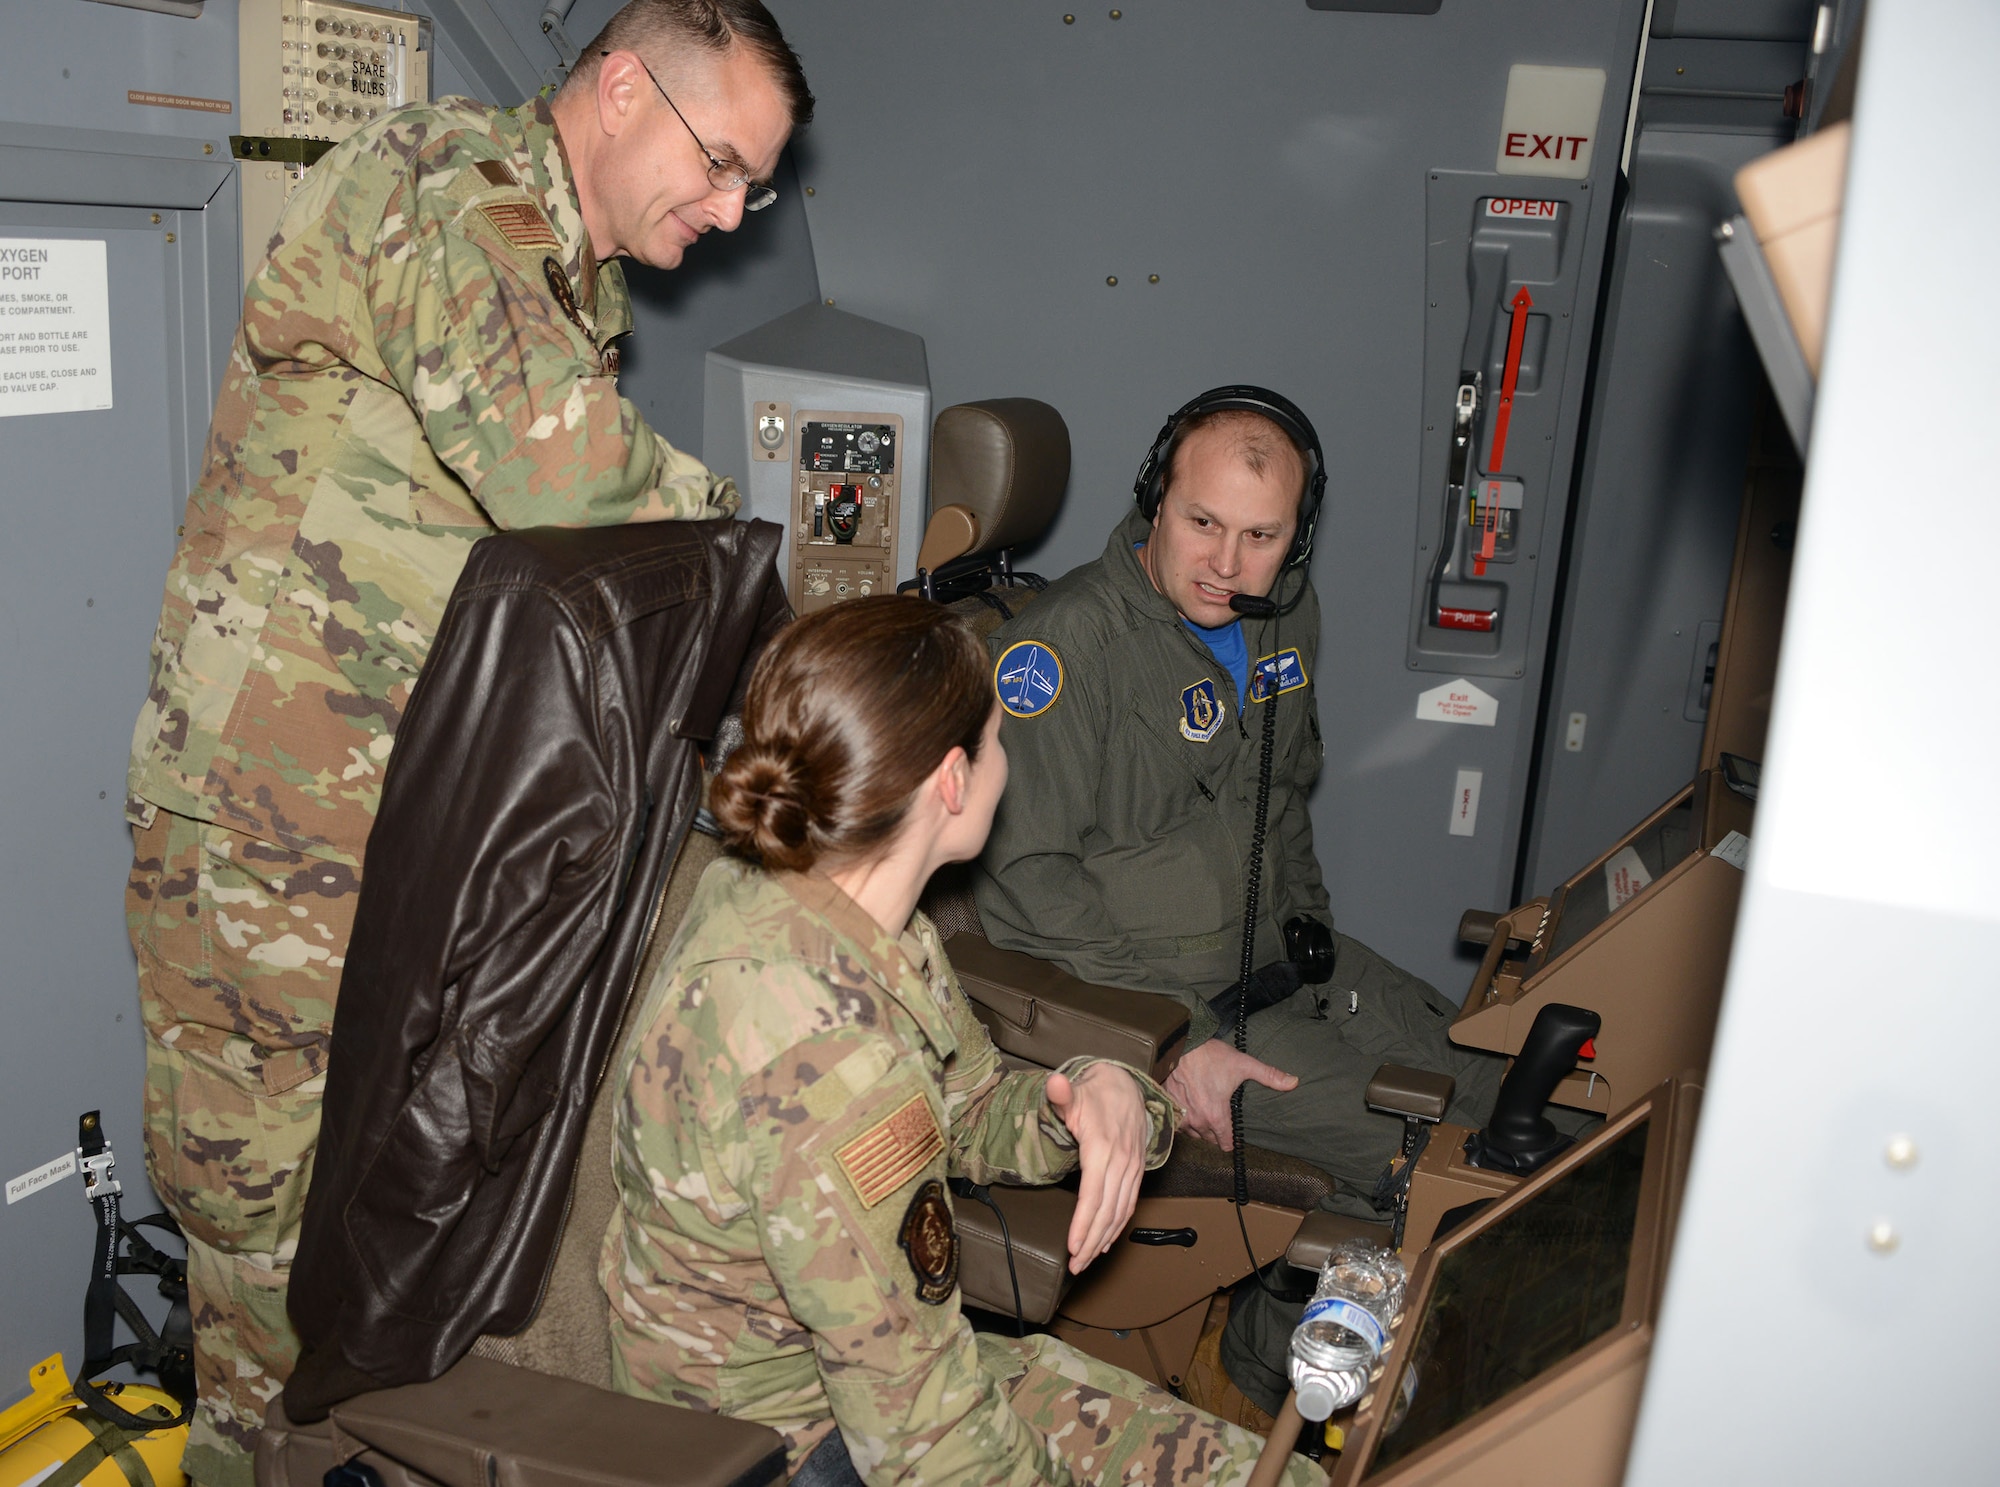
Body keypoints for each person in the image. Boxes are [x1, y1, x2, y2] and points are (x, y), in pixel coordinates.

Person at [121, 5, 811, 1481]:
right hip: (270, 805)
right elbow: (562, 469)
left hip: (408, 806)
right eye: (724, 162)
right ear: (623, 89)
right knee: (256, 1213)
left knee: (367, 1185)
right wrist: (775, 582)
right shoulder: (441, 180)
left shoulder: (562, 274)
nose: (735, 209)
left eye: (759, 186)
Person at [601, 598, 1320, 1487]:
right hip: (777, 1448)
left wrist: (1094, 1094)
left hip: (856, 1387)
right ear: (952, 778)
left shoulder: (833, 908)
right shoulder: (828, 1058)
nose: (1006, 761)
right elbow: (934, 1454)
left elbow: (963, 1106)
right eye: (996, 736)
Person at [972, 387, 1510, 1410]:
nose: (1224, 562)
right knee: (1429, 1166)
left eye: (1259, 534)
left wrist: (1311, 934)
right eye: (1200, 522)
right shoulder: (1058, 652)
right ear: (1152, 502)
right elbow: (1028, 889)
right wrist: (1166, 1041)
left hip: (1286, 961)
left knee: (1495, 1088)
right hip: (1168, 995)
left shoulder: (1284, 614)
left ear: (1294, 534)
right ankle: (1269, 1387)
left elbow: (1286, 787)